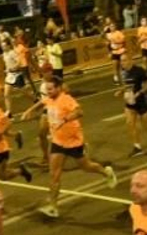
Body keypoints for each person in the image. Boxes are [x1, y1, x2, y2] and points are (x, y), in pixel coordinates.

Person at [19, 75, 117, 219]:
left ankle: (106, 172)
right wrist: (29, 111)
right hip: (58, 142)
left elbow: (80, 112)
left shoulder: (66, 99)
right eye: (47, 89)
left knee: (86, 166)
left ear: (59, 88)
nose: (48, 92)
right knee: (54, 175)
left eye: (51, 89)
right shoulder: (49, 98)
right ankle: (53, 207)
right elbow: (42, 101)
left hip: (73, 141)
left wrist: (64, 119)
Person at [121, 59, 147, 156]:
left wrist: (140, 92)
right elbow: (127, 85)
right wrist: (121, 91)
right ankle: (137, 147)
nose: (122, 63)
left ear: (130, 61)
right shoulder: (124, 72)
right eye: (121, 61)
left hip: (141, 101)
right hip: (130, 103)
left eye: (124, 61)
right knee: (130, 123)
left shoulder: (139, 71)